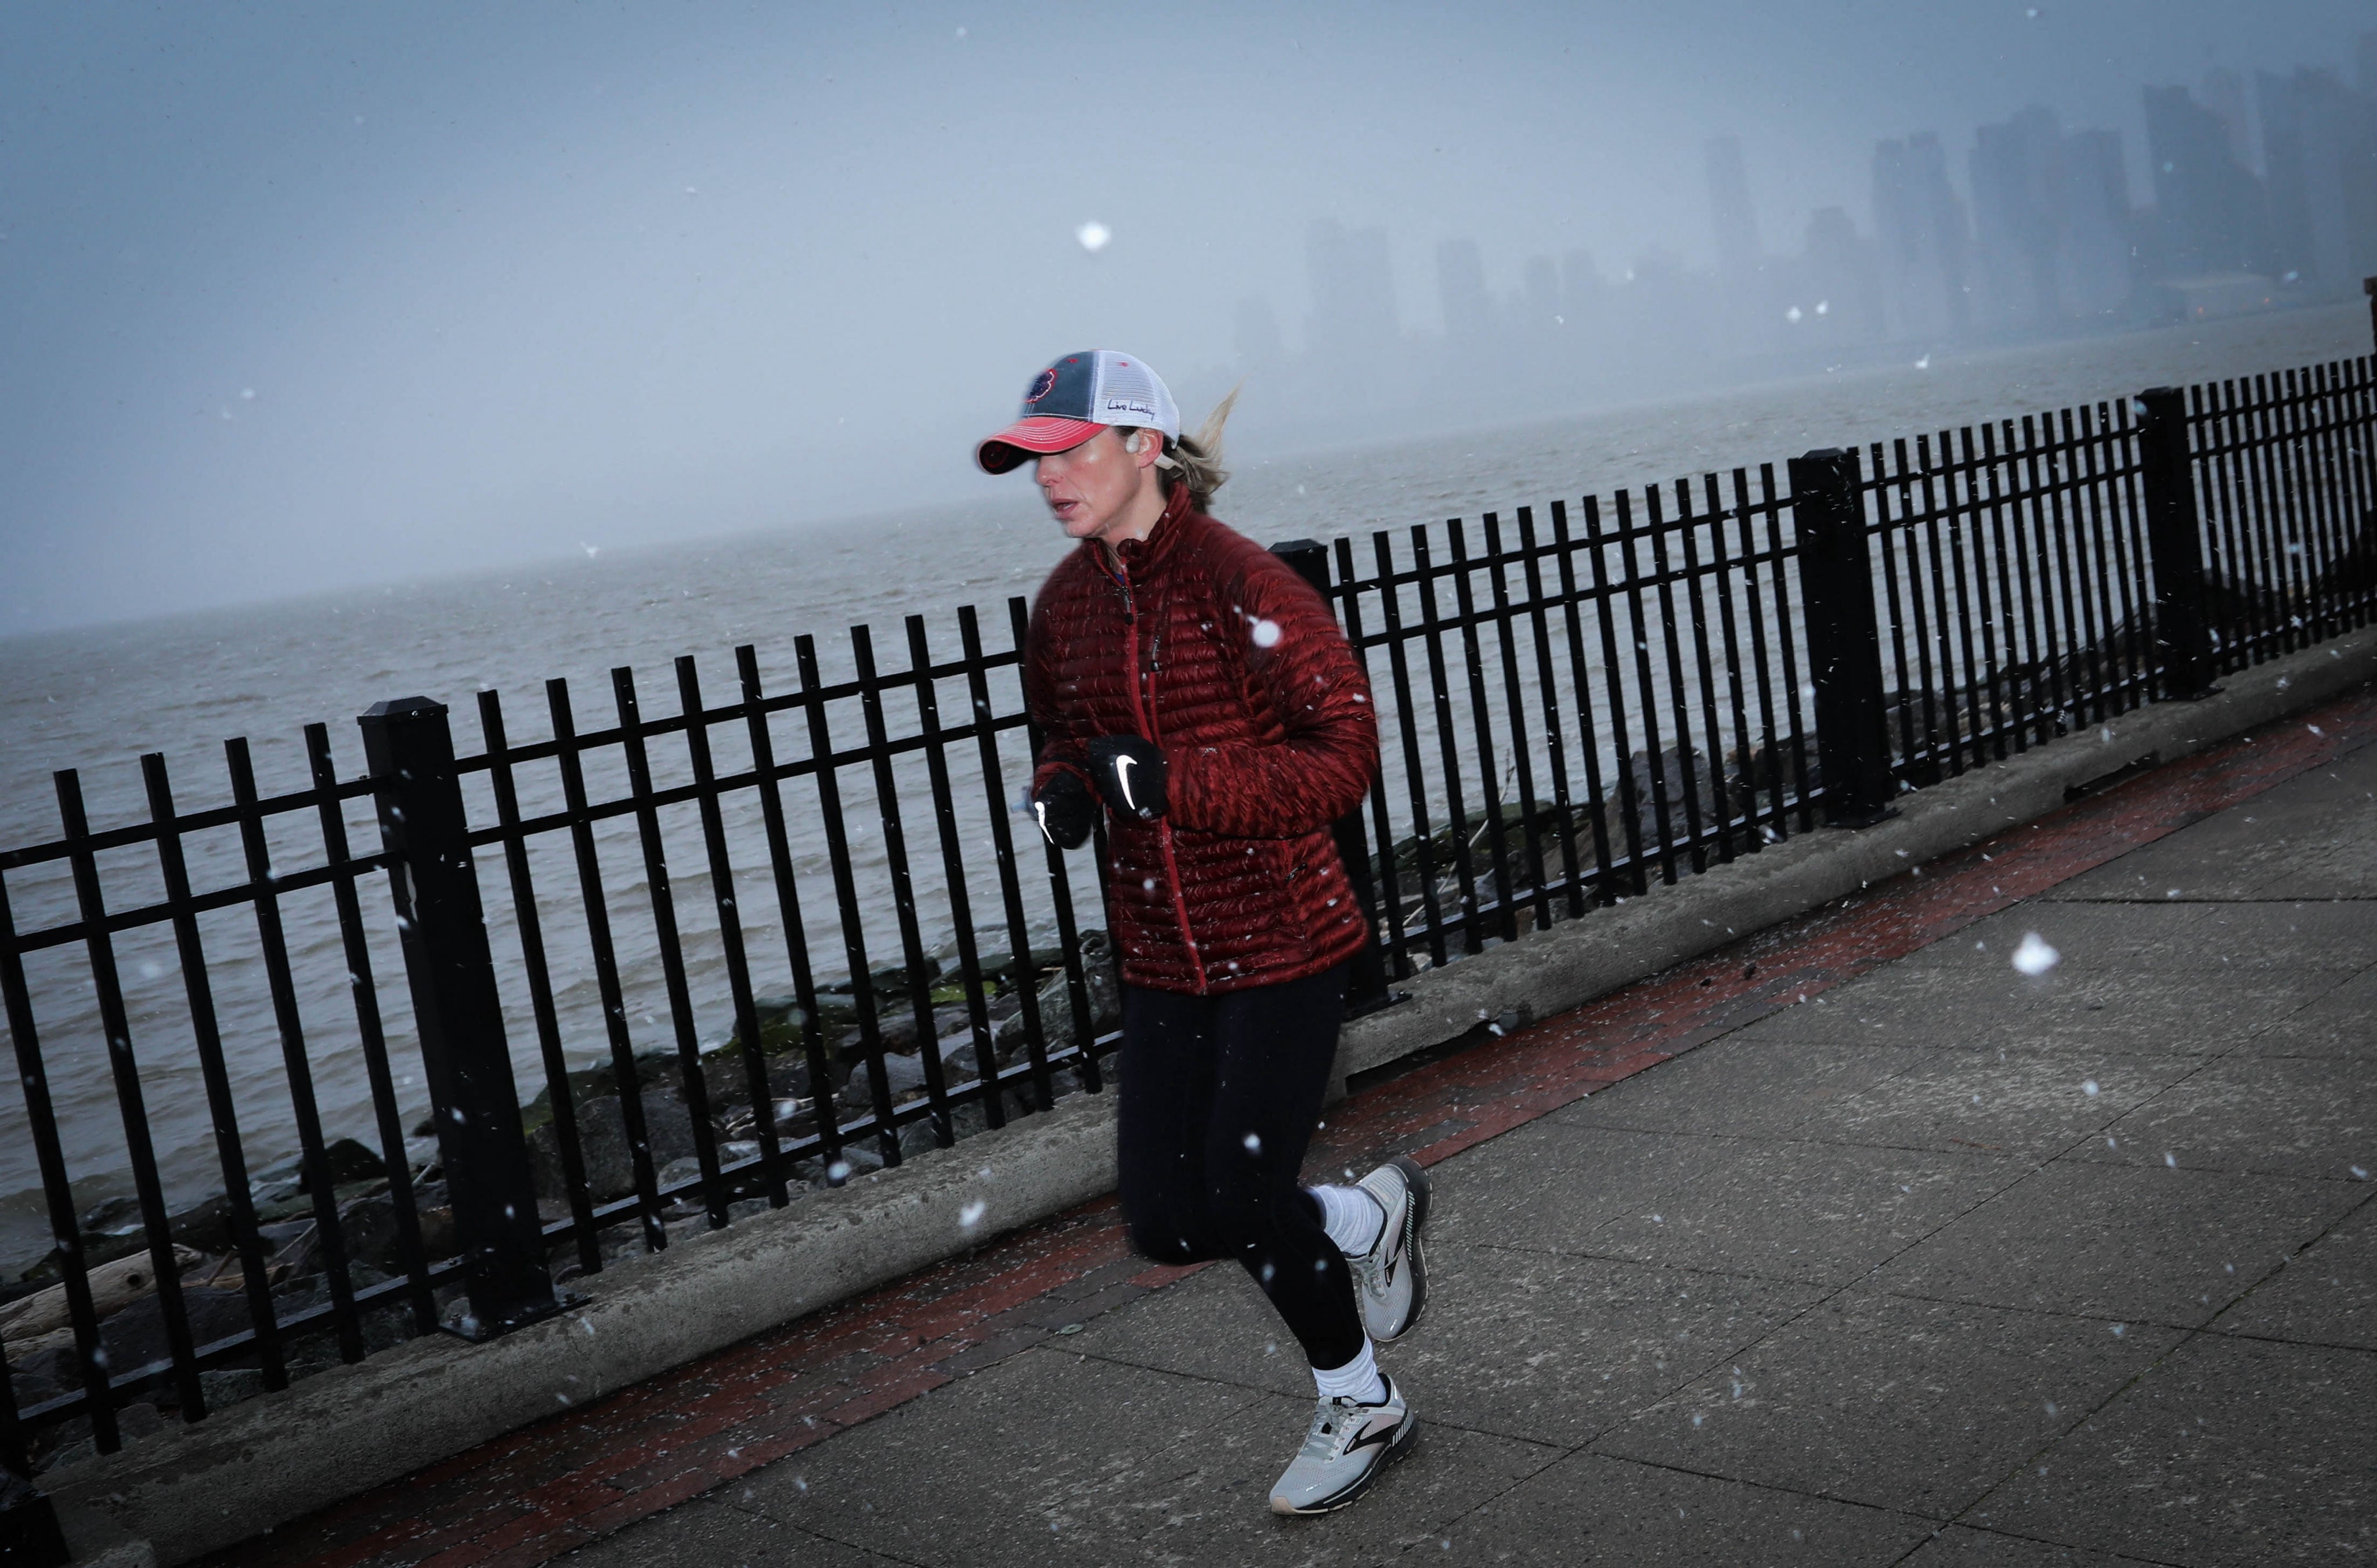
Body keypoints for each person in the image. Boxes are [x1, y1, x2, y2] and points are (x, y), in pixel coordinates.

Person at [978, 349, 1433, 1516]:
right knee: (1166, 1220)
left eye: (1070, 451)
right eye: (1034, 461)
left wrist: (1174, 782)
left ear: (1144, 447)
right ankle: (1361, 1214)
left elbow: (1342, 761)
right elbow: (1063, 735)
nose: (1048, 479)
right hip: (1160, 958)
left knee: (1237, 1195)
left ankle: (1360, 1399)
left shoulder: (1247, 585)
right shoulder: (1064, 605)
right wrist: (1062, 788)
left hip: (1284, 941)